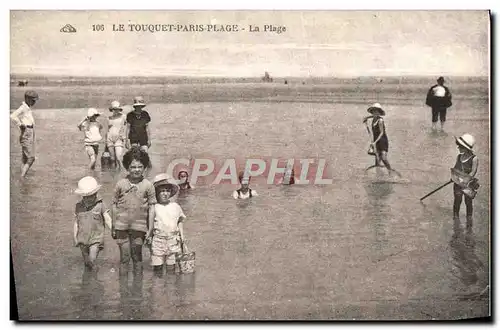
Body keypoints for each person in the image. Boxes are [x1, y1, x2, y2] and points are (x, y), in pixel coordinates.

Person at [111, 147, 156, 277]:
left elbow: (152, 208)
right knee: (124, 258)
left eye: (140, 167)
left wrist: (150, 228)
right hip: (121, 226)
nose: (136, 170)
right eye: (133, 167)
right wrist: (113, 226)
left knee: (137, 258)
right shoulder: (120, 184)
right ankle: (124, 291)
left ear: (145, 167)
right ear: (127, 167)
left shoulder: (148, 185)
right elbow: (114, 205)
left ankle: (137, 290)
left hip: (140, 227)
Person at [149, 173, 186, 277]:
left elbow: (180, 221)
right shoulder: (154, 207)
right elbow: (150, 224)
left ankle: (171, 290)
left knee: (171, 269)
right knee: (157, 269)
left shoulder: (175, 206)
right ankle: (158, 289)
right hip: (158, 240)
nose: (165, 194)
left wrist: (182, 236)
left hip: (173, 240)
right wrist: (148, 238)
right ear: (156, 193)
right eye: (162, 191)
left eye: (167, 191)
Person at [73, 176, 112, 271]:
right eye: (86, 197)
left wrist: (113, 230)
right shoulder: (78, 206)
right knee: (87, 263)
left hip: (96, 238)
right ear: (82, 196)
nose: (89, 198)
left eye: (91, 195)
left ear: (96, 193)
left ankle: (94, 276)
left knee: (92, 259)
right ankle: (88, 281)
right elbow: (76, 223)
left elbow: (107, 219)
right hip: (82, 238)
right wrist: (75, 237)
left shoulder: (100, 204)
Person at [362, 103, 400, 176]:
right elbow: (372, 116)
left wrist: (374, 142)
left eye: (376, 111)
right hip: (376, 142)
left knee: (383, 157)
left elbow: (382, 133)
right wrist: (367, 117)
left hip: (382, 141)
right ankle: (378, 175)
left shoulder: (380, 121)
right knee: (377, 161)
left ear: (379, 112)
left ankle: (390, 171)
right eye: (373, 111)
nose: (375, 113)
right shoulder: (373, 119)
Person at [452, 134, 479, 228]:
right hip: (458, 184)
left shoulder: (474, 158)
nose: (458, 147)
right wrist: (453, 177)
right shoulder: (459, 157)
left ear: (466, 148)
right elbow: (456, 168)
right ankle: (455, 220)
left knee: (468, 202)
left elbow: (473, 172)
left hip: (468, 185)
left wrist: (465, 180)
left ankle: (469, 222)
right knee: (457, 201)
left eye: (460, 146)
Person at [10, 90, 39, 177]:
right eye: (32, 100)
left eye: (35, 101)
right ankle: (22, 176)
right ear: (27, 98)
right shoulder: (23, 107)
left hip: (30, 132)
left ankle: (22, 178)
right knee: (31, 158)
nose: (34, 102)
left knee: (25, 158)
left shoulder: (27, 107)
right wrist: (20, 124)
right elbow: (12, 116)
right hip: (26, 133)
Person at [105, 100, 127, 170]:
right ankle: (113, 175)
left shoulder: (123, 116)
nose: (115, 110)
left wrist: (125, 137)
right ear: (112, 109)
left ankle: (121, 173)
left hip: (119, 138)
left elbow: (127, 127)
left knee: (118, 158)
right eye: (114, 109)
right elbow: (107, 130)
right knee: (112, 159)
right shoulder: (109, 118)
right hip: (109, 138)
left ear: (119, 109)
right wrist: (105, 143)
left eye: (117, 109)